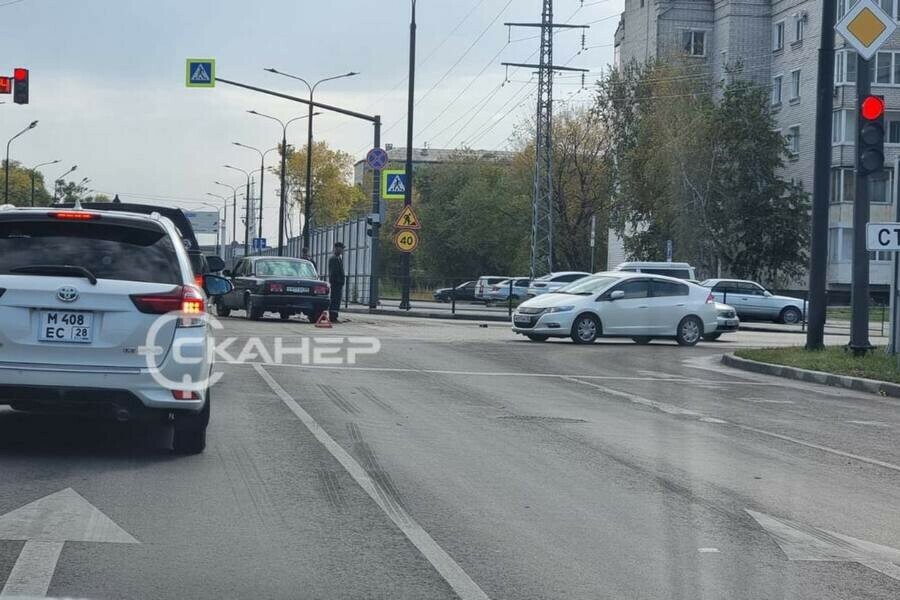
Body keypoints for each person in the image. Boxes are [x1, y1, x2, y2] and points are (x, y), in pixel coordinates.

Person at [327, 242, 345, 322]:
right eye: (341, 248)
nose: (342, 250)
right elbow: (333, 272)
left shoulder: (339, 258)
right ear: (337, 248)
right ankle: (332, 317)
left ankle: (335, 316)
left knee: (337, 300)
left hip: (339, 283)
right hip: (336, 283)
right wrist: (336, 281)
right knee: (335, 299)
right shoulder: (333, 259)